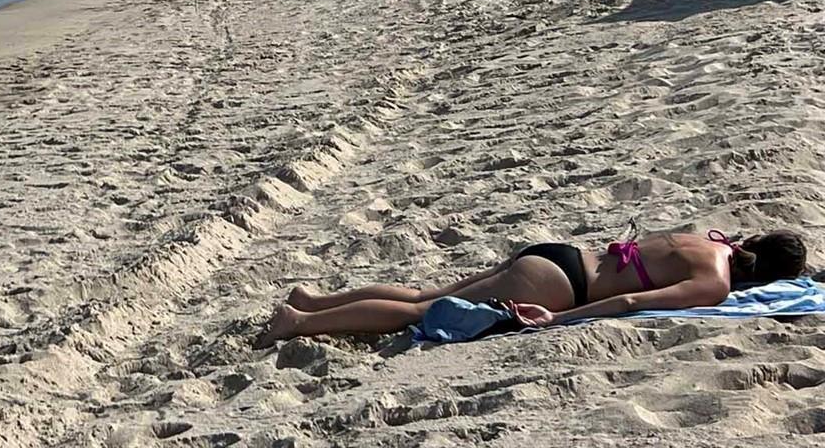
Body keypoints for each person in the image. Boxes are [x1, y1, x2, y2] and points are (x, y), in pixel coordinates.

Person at [256, 227, 807, 344]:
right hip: (563, 285)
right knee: (422, 313)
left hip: (559, 253)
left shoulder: (708, 241)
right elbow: (631, 301)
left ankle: (313, 299)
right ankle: (301, 322)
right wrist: (560, 319)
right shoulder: (714, 281)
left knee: (424, 293)